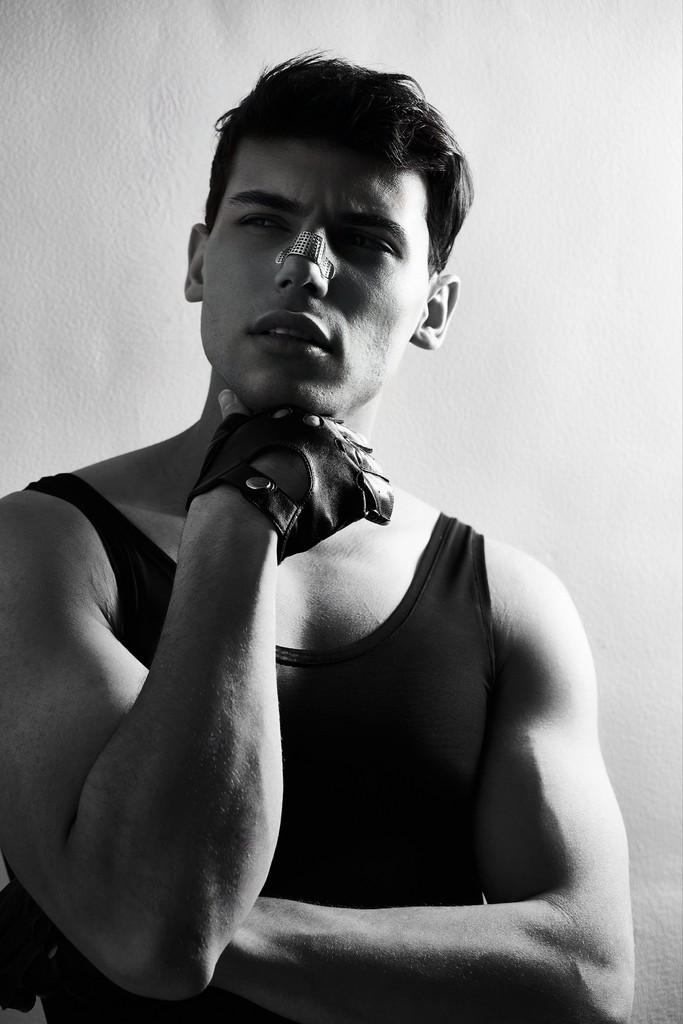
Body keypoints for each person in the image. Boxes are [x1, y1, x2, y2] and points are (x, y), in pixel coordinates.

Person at [0, 54, 634, 1023]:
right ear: (197, 262)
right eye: (263, 221)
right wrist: (244, 506)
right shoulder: (39, 548)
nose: (304, 264)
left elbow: (586, 979)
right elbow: (152, 933)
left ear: (432, 309)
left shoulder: (508, 604)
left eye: (365, 239)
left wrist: (116, 910)